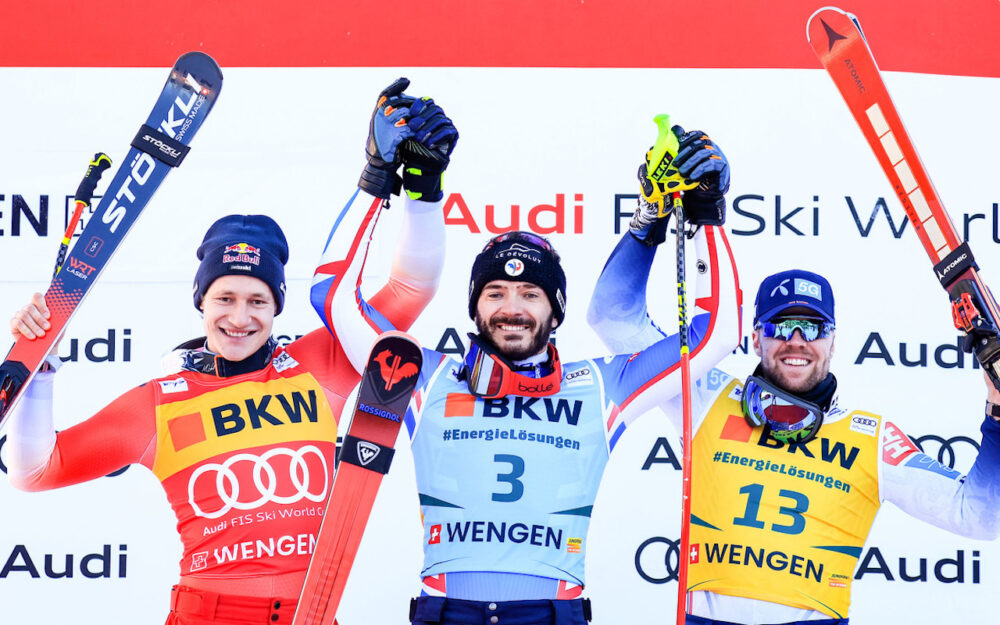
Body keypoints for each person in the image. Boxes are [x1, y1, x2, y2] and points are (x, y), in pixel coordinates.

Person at [4, 79, 456, 625]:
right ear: (201, 300)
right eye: (224, 297)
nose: (239, 318)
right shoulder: (158, 404)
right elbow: (35, 472)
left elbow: (411, 287)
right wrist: (40, 373)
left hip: (312, 612)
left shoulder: (319, 365)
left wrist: (420, 189)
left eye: (257, 301)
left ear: (276, 306)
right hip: (207, 614)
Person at [324, 124, 741, 624]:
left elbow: (715, 334)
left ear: (555, 309)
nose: (511, 308)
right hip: (446, 613)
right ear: (475, 308)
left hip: (552, 614)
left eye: (530, 295)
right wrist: (376, 178)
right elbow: (334, 297)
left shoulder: (602, 387)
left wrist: (704, 214)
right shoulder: (423, 377)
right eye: (495, 293)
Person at [588, 195, 1000, 621]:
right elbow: (613, 319)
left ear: (833, 341)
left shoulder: (871, 439)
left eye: (814, 327)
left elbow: (978, 515)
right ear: (754, 336)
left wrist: (998, 410)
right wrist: (647, 220)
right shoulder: (709, 395)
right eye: (781, 325)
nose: (797, 339)